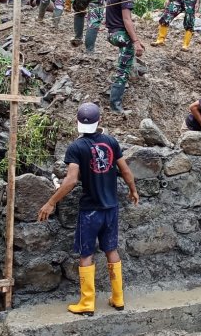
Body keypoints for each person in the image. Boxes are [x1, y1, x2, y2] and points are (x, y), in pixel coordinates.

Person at [37, 103, 139, 316]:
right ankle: (118, 298)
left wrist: (51, 202)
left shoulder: (76, 147)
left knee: (86, 253)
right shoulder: (111, 142)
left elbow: (70, 180)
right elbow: (125, 170)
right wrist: (133, 190)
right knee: (111, 250)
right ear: (99, 121)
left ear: (77, 122)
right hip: (111, 208)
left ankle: (87, 302)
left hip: (90, 210)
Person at [106, 0, 146, 113]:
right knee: (123, 71)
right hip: (120, 35)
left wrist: (137, 39)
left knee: (124, 63)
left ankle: (115, 99)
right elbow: (127, 20)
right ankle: (115, 106)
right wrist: (135, 42)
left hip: (112, 34)